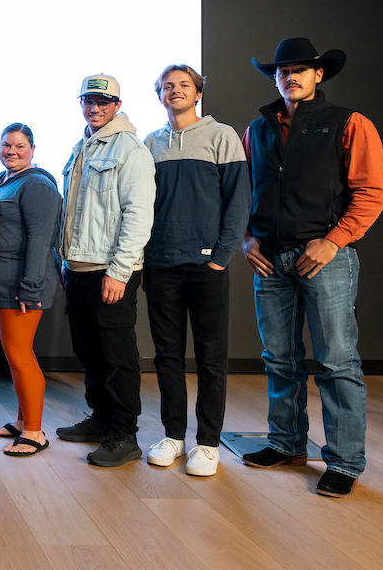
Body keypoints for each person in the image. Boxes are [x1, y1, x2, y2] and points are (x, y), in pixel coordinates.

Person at [240, 38, 383, 497]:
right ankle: (286, 444)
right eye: (283, 71)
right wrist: (246, 238)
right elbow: (244, 190)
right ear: (276, 77)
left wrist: (334, 240)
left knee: (337, 361)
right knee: (278, 358)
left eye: (300, 69)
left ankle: (344, 462)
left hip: (326, 258)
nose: (291, 77)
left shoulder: (349, 123)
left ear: (318, 75)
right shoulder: (257, 129)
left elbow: (372, 191)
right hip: (270, 260)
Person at [142, 65, 250, 477]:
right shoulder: (151, 143)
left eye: (184, 85)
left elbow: (239, 200)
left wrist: (221, 256)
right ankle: (174, 436)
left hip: (207, 266)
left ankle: (207, 444)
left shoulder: (221, 136)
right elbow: (144, 204)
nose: (176, 91)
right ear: (159, 95)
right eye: (168, 86)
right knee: (167, 356)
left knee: (210, 357)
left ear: (198, 93)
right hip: (161, 265)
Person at [55, 74, 155, 467]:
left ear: (117, 105)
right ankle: (101, 419)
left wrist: (120, 271)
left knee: (117, 355)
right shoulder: (82, 147)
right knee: (89, 350)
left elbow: (138, 215)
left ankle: (124, 435)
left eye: (102, 102)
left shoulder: (131, 150)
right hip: (78, 269)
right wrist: (64, 261)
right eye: (88, 101)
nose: (94, 108)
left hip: (109, 271)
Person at [0, 123, 61, 458]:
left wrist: (30, 288)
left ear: (32, 149)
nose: (11, 151)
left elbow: (41, 241)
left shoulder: (37, 185)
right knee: (14, 356)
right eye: (6, 145)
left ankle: (34, 432)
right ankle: (21, 421)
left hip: (21, 287)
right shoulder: (2, 180)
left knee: (20, 356)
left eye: (19, 146)